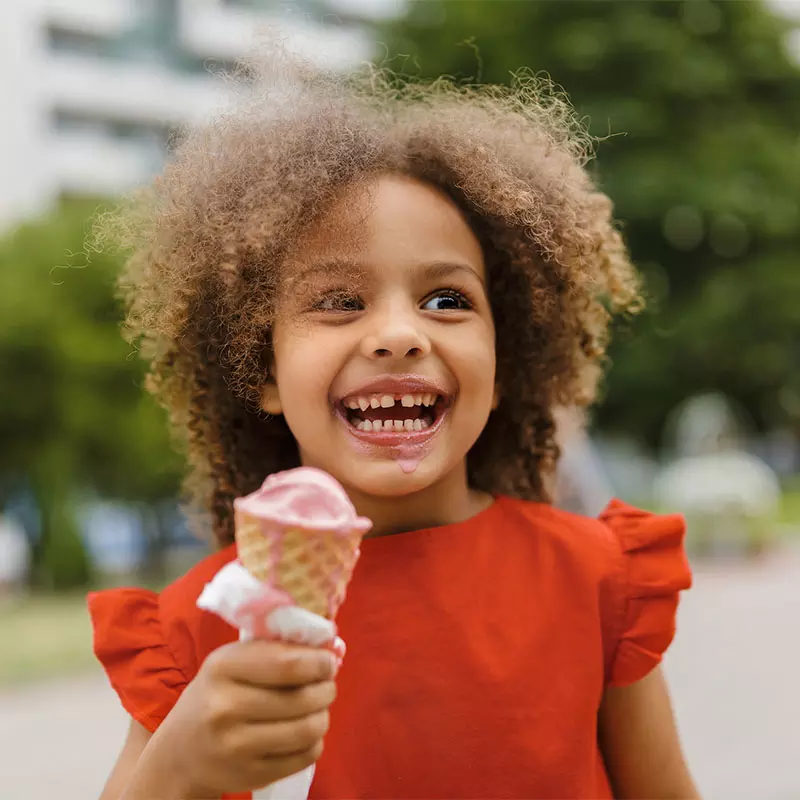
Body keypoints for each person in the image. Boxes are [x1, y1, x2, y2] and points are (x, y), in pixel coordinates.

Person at [88, 54, 698, 800]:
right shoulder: (201, 626)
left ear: (507, 362)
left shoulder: (598, 580)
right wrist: (175, 772)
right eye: (339, 300)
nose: (400, 334)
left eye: (447, 300)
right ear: (263, 372)